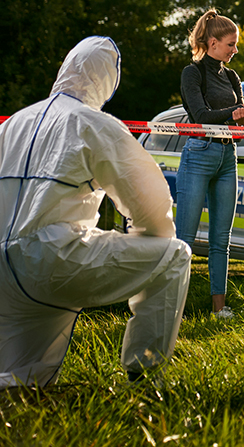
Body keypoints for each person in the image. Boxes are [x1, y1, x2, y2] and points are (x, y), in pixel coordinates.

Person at [0, 36, 191, 387]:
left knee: (24, 379)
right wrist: (150, 244)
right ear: (106, 80)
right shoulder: (93, 123)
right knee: (172, 255)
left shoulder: (11, 124)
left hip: (3, 269)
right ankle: (145, 376)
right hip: (53, 261)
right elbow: (150, 203)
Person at [176, 9, 244, 320]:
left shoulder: (231, 76)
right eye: (231, 44)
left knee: (221, 239)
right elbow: (201, 116)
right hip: (199, 153)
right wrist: (234, 112)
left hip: (228, 156)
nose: (235, 50)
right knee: (185, 238)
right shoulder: (192, 73)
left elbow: (238, 124)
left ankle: (219, 309)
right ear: (213, 43)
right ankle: (174, 308)